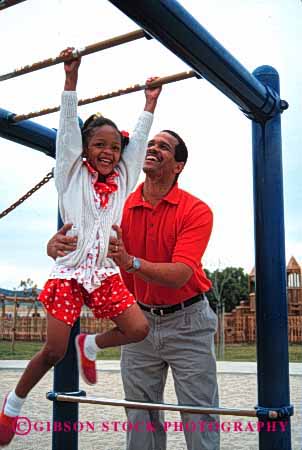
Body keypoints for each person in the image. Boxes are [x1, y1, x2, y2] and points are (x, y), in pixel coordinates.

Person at [0, 48, 162, 447]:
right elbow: (68, 134)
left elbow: (137, 144)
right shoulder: (70, 176)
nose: (108, 152)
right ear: (85, 149)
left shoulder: (123, 179)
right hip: (71, 273)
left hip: (103, 272)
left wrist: (150, 103)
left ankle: (89, 344)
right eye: (99, 145)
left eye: (114, 147)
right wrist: (70, 80)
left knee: (138, 328)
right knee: (53, 352)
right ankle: (13, 405)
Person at [46, 129, 220, 450]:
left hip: (188, 321)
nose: (153, 148)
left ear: (178, 165)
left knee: (199, 415)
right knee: (140, 418)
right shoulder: (119, 205)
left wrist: (132, 263)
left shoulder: (195, 210)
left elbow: (182, 274)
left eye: (163, 147)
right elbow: (85, 236)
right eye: (150, 144)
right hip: (140, 320)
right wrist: (55, 244)